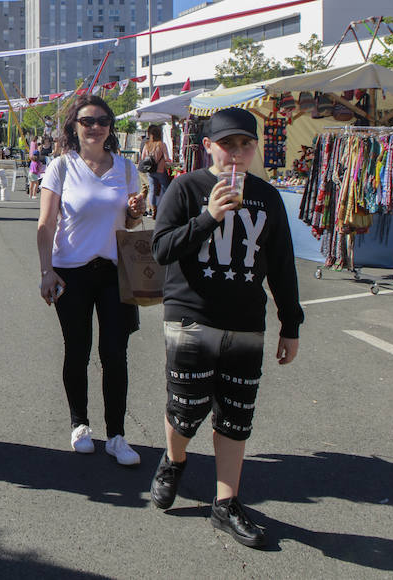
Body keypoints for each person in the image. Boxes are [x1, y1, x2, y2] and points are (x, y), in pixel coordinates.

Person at [149, 107, 303, 549]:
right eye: (227, 144)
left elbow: (283, 267)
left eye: (245, 144)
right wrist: (208, 218)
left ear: (255, 149)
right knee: (186, 408)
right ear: (208, 147)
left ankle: (225, 503)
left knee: (236, 416)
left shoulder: (267, 197)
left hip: (245, 323)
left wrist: (290, 323)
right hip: (190, 316)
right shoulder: (186, 188)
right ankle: (174, 461)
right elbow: (161, 249)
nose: (236, 153)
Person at [35, 94, 147, 467]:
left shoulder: (127, 169)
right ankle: (80, 425)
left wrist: (135, 213)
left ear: (110, 127)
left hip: (114, 272)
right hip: (71, 272)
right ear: (75, 127)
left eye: (102, 121)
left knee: (115, 354)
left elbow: (130, 225)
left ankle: (116, 434)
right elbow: (46, 224)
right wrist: (46, 270)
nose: (95, 127)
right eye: (87, 121)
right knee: (77, 350)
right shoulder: (61, 168)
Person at [139, 124, 170, 212]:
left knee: (152, 190)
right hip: (160, 170)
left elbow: (143, 157)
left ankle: (153, 208)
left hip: (150, 170)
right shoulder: (162, 144)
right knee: (164, 188)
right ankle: (162, 206)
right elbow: (167, 158)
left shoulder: (147, 144)